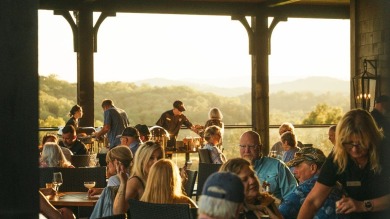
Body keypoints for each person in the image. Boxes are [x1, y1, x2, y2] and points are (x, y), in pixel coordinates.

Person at [298, 109, 390, 219]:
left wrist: (362, 205)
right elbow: (312, 202)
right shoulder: (338, 156)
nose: (355, 150)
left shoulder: (386, 149)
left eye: (361, 144)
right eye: (349, 144)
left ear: (372, 139)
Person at [279, 147, 340, 219]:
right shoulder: (338, 184)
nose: (294, 171)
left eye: (298, 166)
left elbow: (280, 214)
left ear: (313, 168)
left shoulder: (307, 187)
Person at [239, 130, 297, 201]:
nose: (247, 150)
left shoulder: (277, 166)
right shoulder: (235, 170)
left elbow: (293, 197)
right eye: (243, 146)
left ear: (260, 148)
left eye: (251, 146)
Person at [113, 141, 164, 214]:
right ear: (142, 160)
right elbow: (118, 213)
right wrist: (123, 184)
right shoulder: (135, 182)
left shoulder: (161, 180)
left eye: (159, 158)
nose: (156, 162)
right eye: (151, 158)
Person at [89, 146, 133, 218]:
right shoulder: (133, 177)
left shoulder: (114, 179)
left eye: (108, 162)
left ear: (116, 162)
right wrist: (102, 190)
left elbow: (110, 202)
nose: (107, 165)